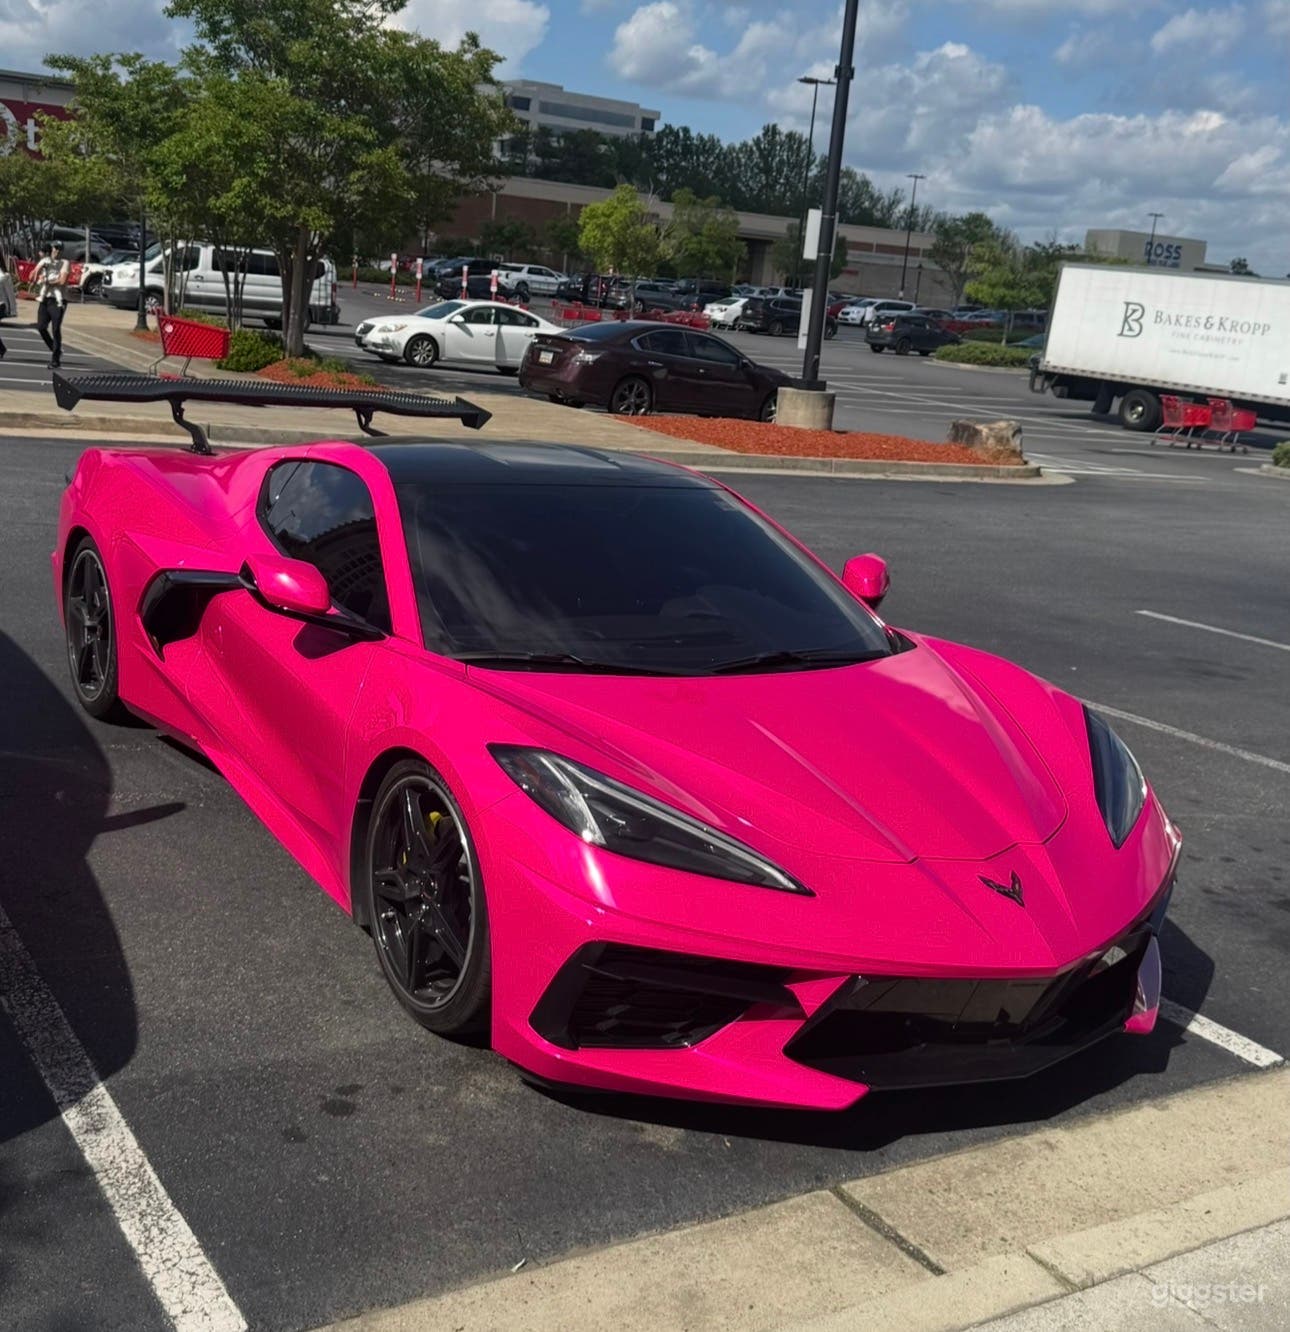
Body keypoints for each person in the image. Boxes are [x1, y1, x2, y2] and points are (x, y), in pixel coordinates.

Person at [32, 241, 71, 369]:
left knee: (55, 329)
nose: (57, 251)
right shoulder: (46, 261)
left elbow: (62, 280)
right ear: (51, 249)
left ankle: (55, 360)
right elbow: (36, 274)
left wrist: (47, 281)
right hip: (45, 300)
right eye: (55, 248)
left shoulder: (65, 263)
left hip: (58, 301)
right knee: (41, 327)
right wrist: (36, 276)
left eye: (60, 249)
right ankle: (55, 349)